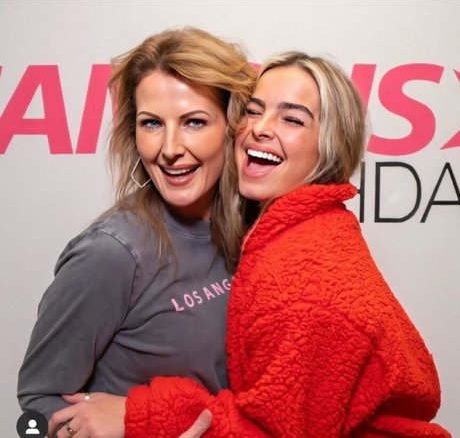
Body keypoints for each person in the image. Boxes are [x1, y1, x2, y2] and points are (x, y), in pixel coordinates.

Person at [121, 52, 451, 437]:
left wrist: (138, 414)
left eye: (292, 119)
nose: (259, 128)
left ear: (330, 145)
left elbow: (273, 432)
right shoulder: (306, 230)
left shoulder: (307, 288)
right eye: (252, 111)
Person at [17, 26, 256, 438]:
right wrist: (135, 428)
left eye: (194, 122)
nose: (170, 148)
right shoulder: (111, 254)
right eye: (152, 124)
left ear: (232, 126)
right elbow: (34, 416)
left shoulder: (256, 230)